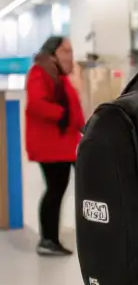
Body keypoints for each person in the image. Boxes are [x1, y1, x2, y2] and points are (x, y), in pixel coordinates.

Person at [25, 34, 84, 257]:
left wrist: (83, 126)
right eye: (65, 51)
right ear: (53, 53)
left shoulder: (60, 76)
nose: (70, 55)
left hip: (64, 144)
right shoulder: (39, 73)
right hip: (50, 146)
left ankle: (51, 238)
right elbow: (36, 104)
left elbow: (74, 107)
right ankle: (48, 240)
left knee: (60, 189)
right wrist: (62, 115)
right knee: (55, 190)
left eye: (71, 51)